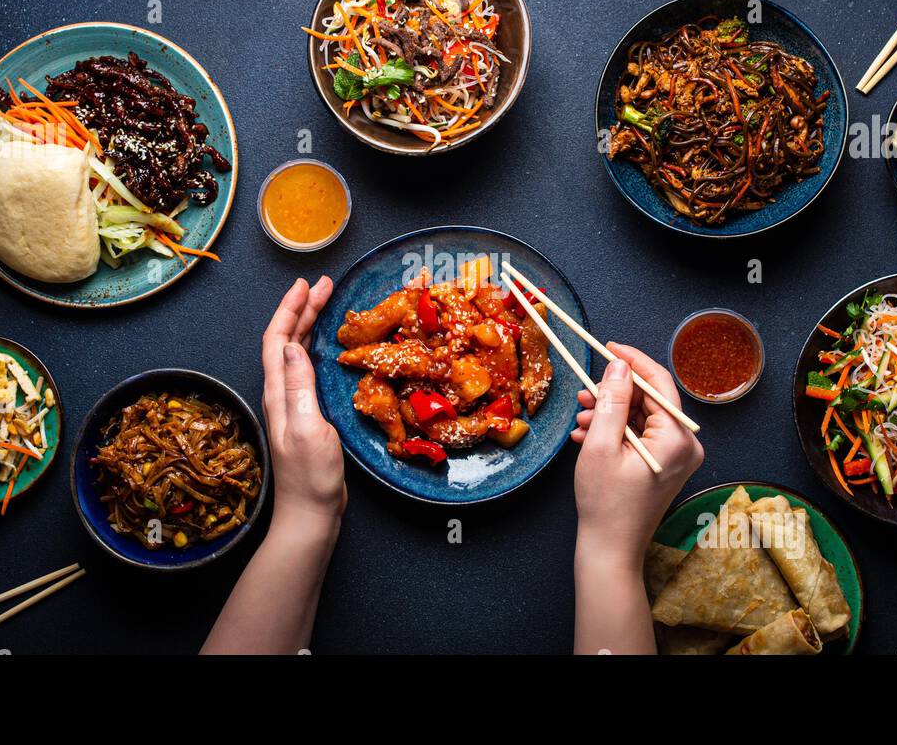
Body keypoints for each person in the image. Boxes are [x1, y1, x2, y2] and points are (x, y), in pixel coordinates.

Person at [201, 277, 703, 655]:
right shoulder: (414, 366)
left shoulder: (493, 360)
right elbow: (368, 353)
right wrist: (612, 551)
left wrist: (308, 512)